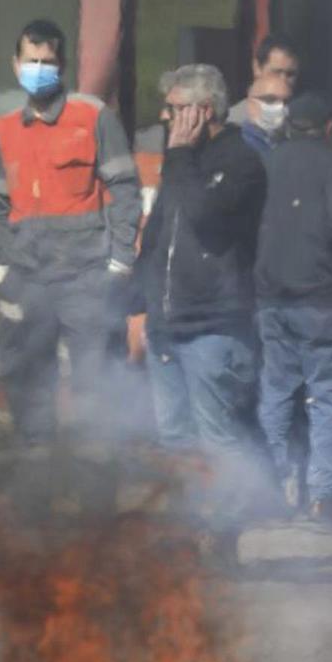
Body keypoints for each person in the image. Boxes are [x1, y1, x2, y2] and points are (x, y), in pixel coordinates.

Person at [0, 19, 142, 447]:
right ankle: (38, 483)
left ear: (62, 65)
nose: (38, 68)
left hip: (86, 280)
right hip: (27, 280)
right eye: (30, 61)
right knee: (26, 381)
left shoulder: (93, 118)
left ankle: (94, 494)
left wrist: (120, 262)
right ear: (15, 65)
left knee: (96, 388)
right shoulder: (5, 130)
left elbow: (125, 191)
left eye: (46, 61)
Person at [134, 63, 266, 455]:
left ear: (204, 110)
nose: (166, 117)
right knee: (173, 437)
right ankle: (187, 514)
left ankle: (226, 511)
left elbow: (204, 216)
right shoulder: (181, 162)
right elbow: (158, 232)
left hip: (213, 325)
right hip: (166, 322)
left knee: (216, 435)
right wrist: (140, 298)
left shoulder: (241, 161)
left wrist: (178, 157)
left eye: (175, 108)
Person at [256, 93, 332, 522]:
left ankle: (268, 493)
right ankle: (323, 497)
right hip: (320, 297)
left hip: (270, 295)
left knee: (276, 393)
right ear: (329, 128)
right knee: (328, 397)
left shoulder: (266, 163)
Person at [228, 34, 300, 126]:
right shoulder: (235, 122)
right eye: (276, 72)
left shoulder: (302, 121)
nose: (283, 81)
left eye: (290, 74)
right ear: (257, 68)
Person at [241, 76, 291, 155]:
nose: (280, 106)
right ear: (250, 104)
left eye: (285, 101)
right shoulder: (241, 145)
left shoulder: (291, 142)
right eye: (270, 100)